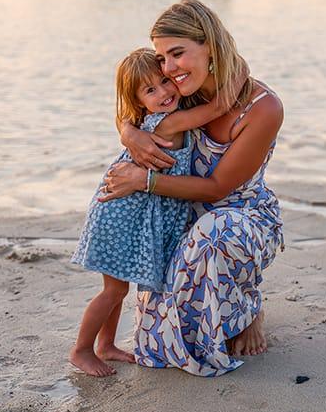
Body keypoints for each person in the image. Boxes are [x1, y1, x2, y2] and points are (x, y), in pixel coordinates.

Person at [101, 0, 285, 377]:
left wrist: (145, 180)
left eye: (177, 53)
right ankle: (227, 312)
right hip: (181, 218)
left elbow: (217, 188)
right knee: (155, 343)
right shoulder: (182, 92)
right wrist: (128, 131)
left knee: (213, 233)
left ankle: (248, 307)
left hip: (241, 219)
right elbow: (131, 100)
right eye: (162, 57)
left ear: (210, 46)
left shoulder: (264, 108)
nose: (169, 69)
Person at [70, 47, 232, 377]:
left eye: (164, 81)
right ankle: (82, 349)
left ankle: (106, 345)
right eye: (150, 90)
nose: (163, 92)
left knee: (118, 286)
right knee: (114, 289)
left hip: (132, 211)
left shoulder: (150, 120)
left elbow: (128, 116)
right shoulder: (169, 123)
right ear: (139, 101)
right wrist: (237, 71)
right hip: (120, 214)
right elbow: (218, 106)